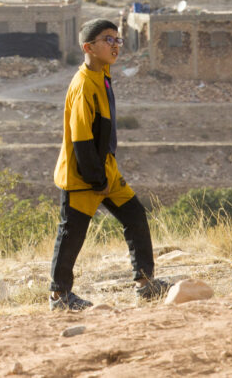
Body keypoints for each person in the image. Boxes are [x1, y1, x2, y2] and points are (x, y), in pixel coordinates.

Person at [49, 18, 169, 311]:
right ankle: (59, 297)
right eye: (108, 40)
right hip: (83, 175)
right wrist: (95, 178)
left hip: (106, 171)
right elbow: (81, 139)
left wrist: (105, 174)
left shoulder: (103, 75)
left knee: (135, 216)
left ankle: (146, 284)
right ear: (88, 47)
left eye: (117, 40)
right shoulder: (83, 85)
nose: (115, 45)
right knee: (71, 233)